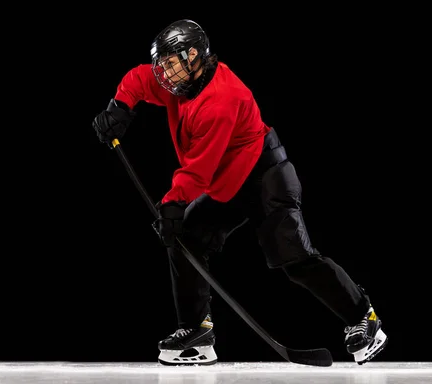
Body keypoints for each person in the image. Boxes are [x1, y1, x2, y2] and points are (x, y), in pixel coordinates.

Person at [92, 19, 387, 366]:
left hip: (266, 176)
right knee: (186, 237)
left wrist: (172, 203)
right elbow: (139, 79)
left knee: (294, 259)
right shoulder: (182, 85)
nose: (163, 74)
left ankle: (364, 318)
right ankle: (196, 330)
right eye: (162, 65)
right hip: (228, 179)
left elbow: (199, 169)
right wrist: (120, 106)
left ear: (193, 57)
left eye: (170, 65)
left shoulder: (221, 99)